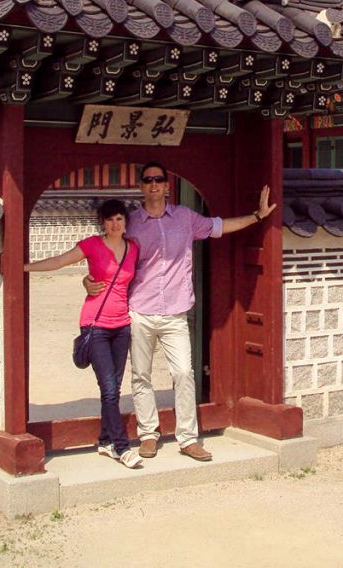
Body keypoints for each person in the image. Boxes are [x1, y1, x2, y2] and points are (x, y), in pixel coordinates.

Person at [84, 161, 276, 462]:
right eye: (147, 180)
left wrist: (257, 216)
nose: (153, 185)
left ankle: (187, 438)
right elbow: (106, 251)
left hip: (175, 311)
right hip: (140, 309)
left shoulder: (185, 218)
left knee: (184, 373)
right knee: (141, 376)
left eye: (158, 179)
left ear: (167, 185)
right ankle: (148, 434)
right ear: (140, 186)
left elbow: (219, 226)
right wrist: (88, 279)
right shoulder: (130, 222)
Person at [25, 198, 142, 469]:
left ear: (125, 222)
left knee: (113, 388)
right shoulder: (91, 245)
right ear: (102, 222)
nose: (115, 224)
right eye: (110, 219)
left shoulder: (133, 248)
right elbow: (60, 261)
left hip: (122, 325)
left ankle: (104, 440)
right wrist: (24, 268)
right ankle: (121, 447)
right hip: (95, 324)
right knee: (110, 388)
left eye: (119, 219)